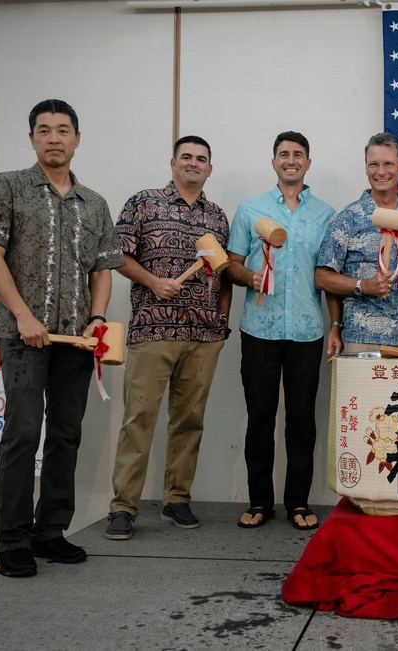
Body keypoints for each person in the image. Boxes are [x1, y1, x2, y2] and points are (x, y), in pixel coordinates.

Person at [0, 99, 124, 577]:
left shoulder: (94, 202)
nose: (54, 137)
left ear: (77, 138)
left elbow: (102, 269)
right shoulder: (8, 186)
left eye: (63, 129)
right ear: (31, 138)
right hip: (23, 337)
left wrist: (96, 319)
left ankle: (50, 530)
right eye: (44, 130)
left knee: (65, 434)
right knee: (22, 432)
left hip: (75, 340)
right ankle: (11, 539)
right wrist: (22, 315)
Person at [105, 135, 230, 540]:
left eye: (202, 159)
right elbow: (117, 255)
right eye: (187, 157)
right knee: (138, 420)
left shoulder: (218, 217)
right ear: (173, 162)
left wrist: (221, 323)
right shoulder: (143, 202)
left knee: (189, 421)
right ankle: (123, 507)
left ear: (210, 169)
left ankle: (177, 499)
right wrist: (153, 282)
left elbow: (222, 273)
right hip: (152, 330)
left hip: (204, 335)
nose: (194, 163)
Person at [226, 131, 335, 531]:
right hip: (259, 330)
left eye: (298, 154)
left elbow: (328, 274)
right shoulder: (249, 210)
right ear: (273, 162)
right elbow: (231, 263)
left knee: (303, 418)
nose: (291, 160)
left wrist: (334, 322)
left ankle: (298, 502)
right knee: (260, 417)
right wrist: (248, 276)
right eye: (283, 154)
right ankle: (259, 502)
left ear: (308, 163)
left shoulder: (326, 214)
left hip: (307, 331)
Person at [315, 133, 398, 355]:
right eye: (374, 164)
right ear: (366, 168)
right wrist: (362, 285)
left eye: (388, 164)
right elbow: (322, 277)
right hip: (366, 337)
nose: (381, 171)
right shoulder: (346, 219)